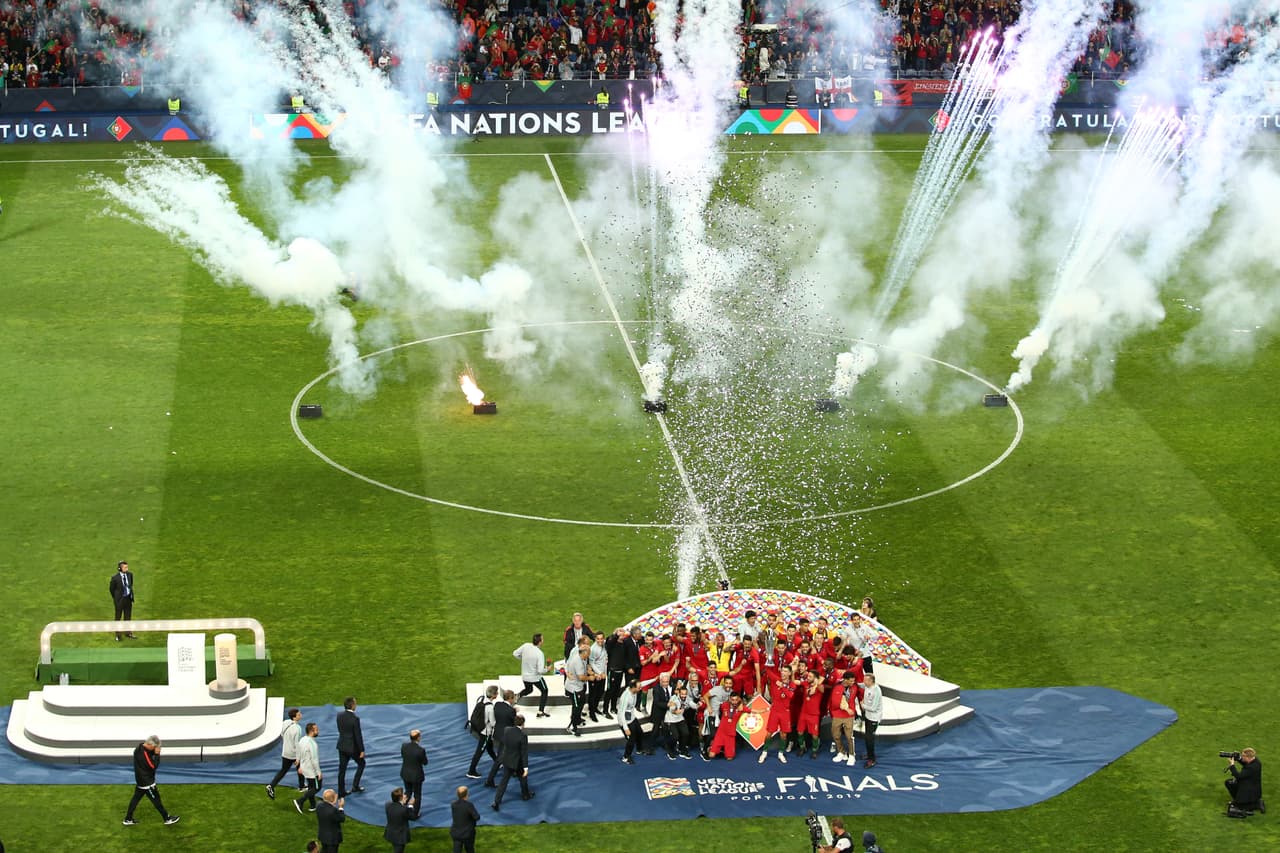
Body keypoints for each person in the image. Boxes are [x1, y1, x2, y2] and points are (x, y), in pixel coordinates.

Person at [122, 735, 179, 826]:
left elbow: (148, 754)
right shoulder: (143, 755)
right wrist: (157, 754)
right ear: (150, 744)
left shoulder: (139, 747)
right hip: (147, 782)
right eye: (154, 747)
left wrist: (154, 751)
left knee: (135, 799)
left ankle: (128, 819)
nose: (155, 748)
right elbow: (153, 766)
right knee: (156, 800)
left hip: (141, 780)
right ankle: (167, 818)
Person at [491, 714, 531, 811]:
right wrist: (526, 768)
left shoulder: (507, 730)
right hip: (518, 763)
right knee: (523, 779)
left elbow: (504, 744)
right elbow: (524, 753)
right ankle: (525, 795)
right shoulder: (523, 736)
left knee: (503, 782)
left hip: (507, 761)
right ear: (523, 724)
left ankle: (496, 801)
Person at [267, 707, 304, 800]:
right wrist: (298, 757)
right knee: (300, 768)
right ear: (294, 717)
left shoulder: (285, 722)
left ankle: (272, 785)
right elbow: (297, 744)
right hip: (293, 753)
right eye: (299, 714)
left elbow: (282, 734)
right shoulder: (297, 728)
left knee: (283, 770)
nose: (301, 715)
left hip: (285, 751)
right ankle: (302, 786)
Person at [483, 690, 517, 788]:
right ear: (510, 698)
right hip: (506, 736)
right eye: (513, 697)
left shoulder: (497, 704)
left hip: (498, 734)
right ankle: (489, 780)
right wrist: (515, 711)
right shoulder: (511, 711)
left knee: (508, 754)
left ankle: (513, 770)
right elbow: (514, 722)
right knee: (500, 759)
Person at [514, 633, 551, 717]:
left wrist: (523, 659)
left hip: (525, 676)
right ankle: (540, 711)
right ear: (540, 642)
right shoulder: (539, 653)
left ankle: (518, 695)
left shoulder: (525, 646)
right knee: (544, 690)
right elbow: (540, 670)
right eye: (542, 639)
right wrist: (547, 669)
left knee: (529, 689)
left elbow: (515, 653)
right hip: (536, 678)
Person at [466, 685, 498, 779]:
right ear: (494, 695)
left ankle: (497, 762)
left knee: (489, 747)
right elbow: (492, 723)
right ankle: (471, 771)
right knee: (479, 752)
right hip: (486, 733)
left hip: (480, 729)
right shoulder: (490, 708)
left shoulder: (481, 699)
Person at [336, 697, 366, 797]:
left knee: (342, 769)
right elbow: (358, 735)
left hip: (342, 745)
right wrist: (361, 750)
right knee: (361, 764)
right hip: (352, 748)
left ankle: (341, 791)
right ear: (352, 705)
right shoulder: (355, 719)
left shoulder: (339, 715)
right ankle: (355, 786)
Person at [831, 671, 860, 766]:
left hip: (849, 716)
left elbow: (860, 695)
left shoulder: (855, 687)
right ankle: (841, 752)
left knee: (849, 736)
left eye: (853, 681)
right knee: (836, 735)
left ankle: (852, 755)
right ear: (845, 680)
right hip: (838, 714)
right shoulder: (837, 687)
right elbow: (835, 702)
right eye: (851, 681)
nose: (852, 683)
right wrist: (846, 709)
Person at [400, 730, 428, 820]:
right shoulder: (420, 750)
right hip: (416, 776)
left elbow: (403, 756)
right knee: (417, 795)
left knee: (407, 792)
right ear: (418, 737)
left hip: (405, 773)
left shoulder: (404, 746)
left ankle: (401, 809)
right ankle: (415, 814)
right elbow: (425, 762)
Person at [1226, 748, 1264, 813]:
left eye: (1243, 756)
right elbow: (1246, 764)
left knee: (1239, 807)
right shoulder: (1256, 761)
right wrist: (1239, 759)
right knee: (1229, 783)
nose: (1242, 757)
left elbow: (1238, 776)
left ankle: (1257, 804)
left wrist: (1232, 765)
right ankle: (1241, 801)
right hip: (1252, 787)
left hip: (1249, 790)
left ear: (1248, 757)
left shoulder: (1251, 767)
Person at [295, 722, 322, 814]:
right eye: (316, 730)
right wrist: (318, 772)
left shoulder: (302, 739)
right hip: (311, 770)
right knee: (317, 787)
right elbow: (314, 759)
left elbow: (298, 751)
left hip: (304, 768)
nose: (318, 731)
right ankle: (300, 801)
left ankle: (313, 805)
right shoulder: (312, 744)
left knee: (311, 787)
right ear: (312, 731)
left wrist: (299, 764)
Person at [564, 640, 590, 735]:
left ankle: (577, 719)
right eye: (588, 653)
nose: (589, 655)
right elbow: (581, 677)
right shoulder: (577, 661)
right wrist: (590, 677)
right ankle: (572, 726)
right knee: (576, 706)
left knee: (581, 702)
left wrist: (589, 670)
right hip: (574, 688)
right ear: (584, 653)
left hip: (579, 687)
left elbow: (585, 668)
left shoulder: (582, 658)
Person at [109, 560, 137, 640]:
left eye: (127, 567)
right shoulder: (115, 578)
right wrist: (116, 598)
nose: (127, 569)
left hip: (128, 599)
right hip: (119, 601)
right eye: (125, 567)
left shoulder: (130, 575)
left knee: (128, 616)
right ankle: (118, 635)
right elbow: (111, 589)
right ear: (120, 568)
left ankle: (128, 633)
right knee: (118, 617)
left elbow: (130, 585)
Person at [859, 673, 882, 768]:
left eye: (866, 680)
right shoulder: (867, 686)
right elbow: (860, 684)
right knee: (867, 737)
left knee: (870, 739)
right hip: (868, 716)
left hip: (874, 718)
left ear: (871, 681)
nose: (864, 682)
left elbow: (873, 708)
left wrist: (862, 705)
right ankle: (869, 754)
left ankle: (872, 759)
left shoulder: (876, 691)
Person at [450, 785, 481, 853]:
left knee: (456, 851)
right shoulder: (469, 805)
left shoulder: (453, 804)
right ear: (466, 795)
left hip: (456, 833)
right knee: (470, 850)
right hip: (467, 834)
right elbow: (477, 817)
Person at [383, 787, 412, 853]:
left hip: (391, 833)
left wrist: (403, 803)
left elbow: (398, 808)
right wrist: (410, 806)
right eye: (403, 794)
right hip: (400, 837)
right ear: (400, 798)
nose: (405, 795)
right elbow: (412, 817)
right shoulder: (404, 809)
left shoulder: (388, 805)